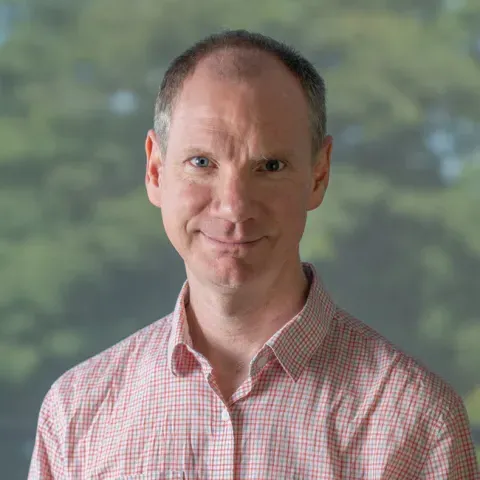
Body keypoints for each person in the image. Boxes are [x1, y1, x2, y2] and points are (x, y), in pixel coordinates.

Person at [28, 30, 479, 479]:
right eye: (202, 162)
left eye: (270, 166)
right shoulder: (75, 412)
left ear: (319, 175)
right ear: (155, 170)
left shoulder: (416, 422)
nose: (234, 205)